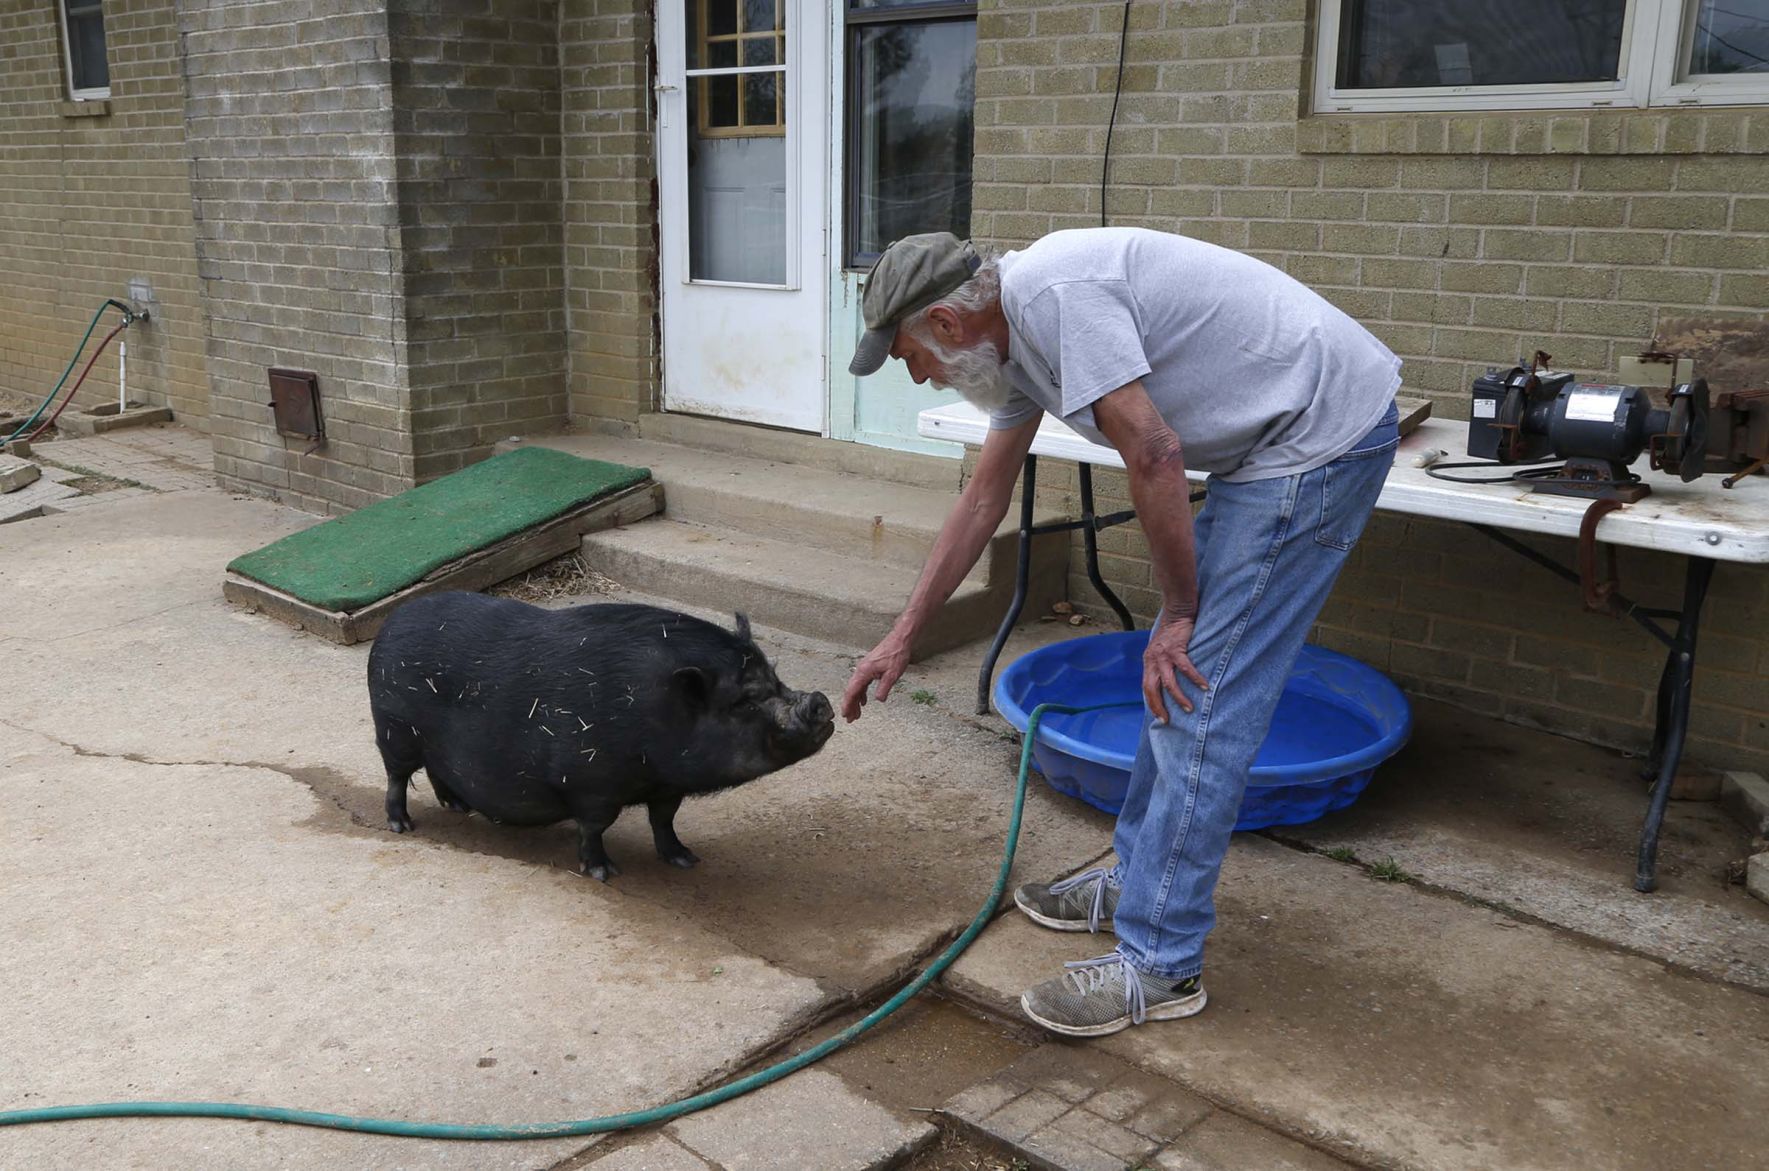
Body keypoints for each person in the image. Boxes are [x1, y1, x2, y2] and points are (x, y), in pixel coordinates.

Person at [840, 227, 1401, 1037]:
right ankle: (1143, 879)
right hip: (1267, 443)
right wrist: (902, 635)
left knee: (1200, 690)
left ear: (945, 324)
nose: (916, 373)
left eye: (908, 356)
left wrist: (1176, 614)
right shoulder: (1011, 344)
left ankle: (1161, 962)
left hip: (1316, 436)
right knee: (1177, 676)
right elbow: (982, 502)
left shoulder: (1057, 298)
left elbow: (1154, 449)